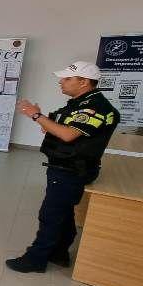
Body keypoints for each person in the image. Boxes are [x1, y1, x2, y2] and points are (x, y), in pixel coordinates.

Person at [6, 61, 120, 273]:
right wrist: (45, 122)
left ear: (84, 82)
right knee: (64, 212)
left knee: (50, 214)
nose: (61, 82)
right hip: (64, 165)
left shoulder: (96, 107)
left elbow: (67, 134)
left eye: (67, 78)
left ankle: (36, 259)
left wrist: (36, 115)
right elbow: (59, 125)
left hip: (72, 169)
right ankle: (59, 253)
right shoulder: (78, 103)